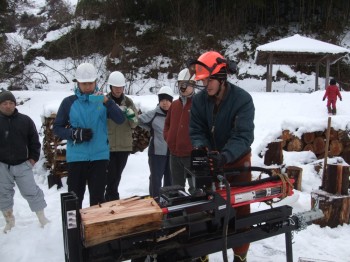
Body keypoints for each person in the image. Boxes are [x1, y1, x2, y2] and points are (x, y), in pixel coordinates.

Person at [188, 51, 255, 262]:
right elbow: (197, 130)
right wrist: (204, 150)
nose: (205, 85)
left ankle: (240, 256)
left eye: (209, 80)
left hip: (237, 162)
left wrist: (225, 156)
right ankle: (202, 254)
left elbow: (243, 136)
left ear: (222, 77)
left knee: (241, 211)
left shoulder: (243, 100)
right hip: (210, 162)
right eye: (203, 80)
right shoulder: (199, 101)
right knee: (203, 208)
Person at [53, 63, 125, 208]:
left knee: (98, 200)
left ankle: (96, 229)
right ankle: (75, 230)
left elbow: (120, 119)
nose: (87, 87)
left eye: (90, 83)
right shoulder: (69, 103)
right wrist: (74, 133)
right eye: (84, 83)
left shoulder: (103, 101)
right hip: (77, 157)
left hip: (99, 157)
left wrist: (108, 102)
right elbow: (57, 128)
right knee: (74, 198)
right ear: (77, 83)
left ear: (95, 82)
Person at [0, 91, 49, 233]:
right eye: (4, 103)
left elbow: (34, 141)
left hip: (22, 165)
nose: (8, 106)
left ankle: (42, 218)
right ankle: (9, 222)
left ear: (15, 104)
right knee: (3, 194)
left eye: (11, 103)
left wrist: (33, 159)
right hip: (2, 166)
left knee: (32, 192)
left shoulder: (25, 120)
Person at [105, 71, 138, 201]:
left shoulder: (129, 102)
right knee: (110, 175)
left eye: (121, 87)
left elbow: (135, 124)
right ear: (111, 87)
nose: (118, 90)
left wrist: (131, 116)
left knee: (117, 175)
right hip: (109, 145)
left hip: (124, 146)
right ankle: (111, 198)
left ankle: (111, 198)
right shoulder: (105, 101)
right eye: (115, 87)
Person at [164, 68, 196, 194]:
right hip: (174, 154)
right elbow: (167, 124)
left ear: (194, 85)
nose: (183, 87)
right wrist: (168, 138)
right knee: (176, 189)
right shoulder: (175, 105)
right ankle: (180, 211)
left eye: (187, 84)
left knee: (195, 188)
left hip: (191, 155)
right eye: (181, 84)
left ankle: (199, 212)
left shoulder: (198, 104)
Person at [138, 86, 174, 198]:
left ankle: (169, 200)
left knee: (170, 178)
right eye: (162, 100)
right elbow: (138, 120)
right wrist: (149, 128)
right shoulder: (154, 113)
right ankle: (155, 200)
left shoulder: (174, 114)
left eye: (167, 100)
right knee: (156, 178)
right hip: (157, 153)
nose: (165, 103)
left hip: (172, 153)